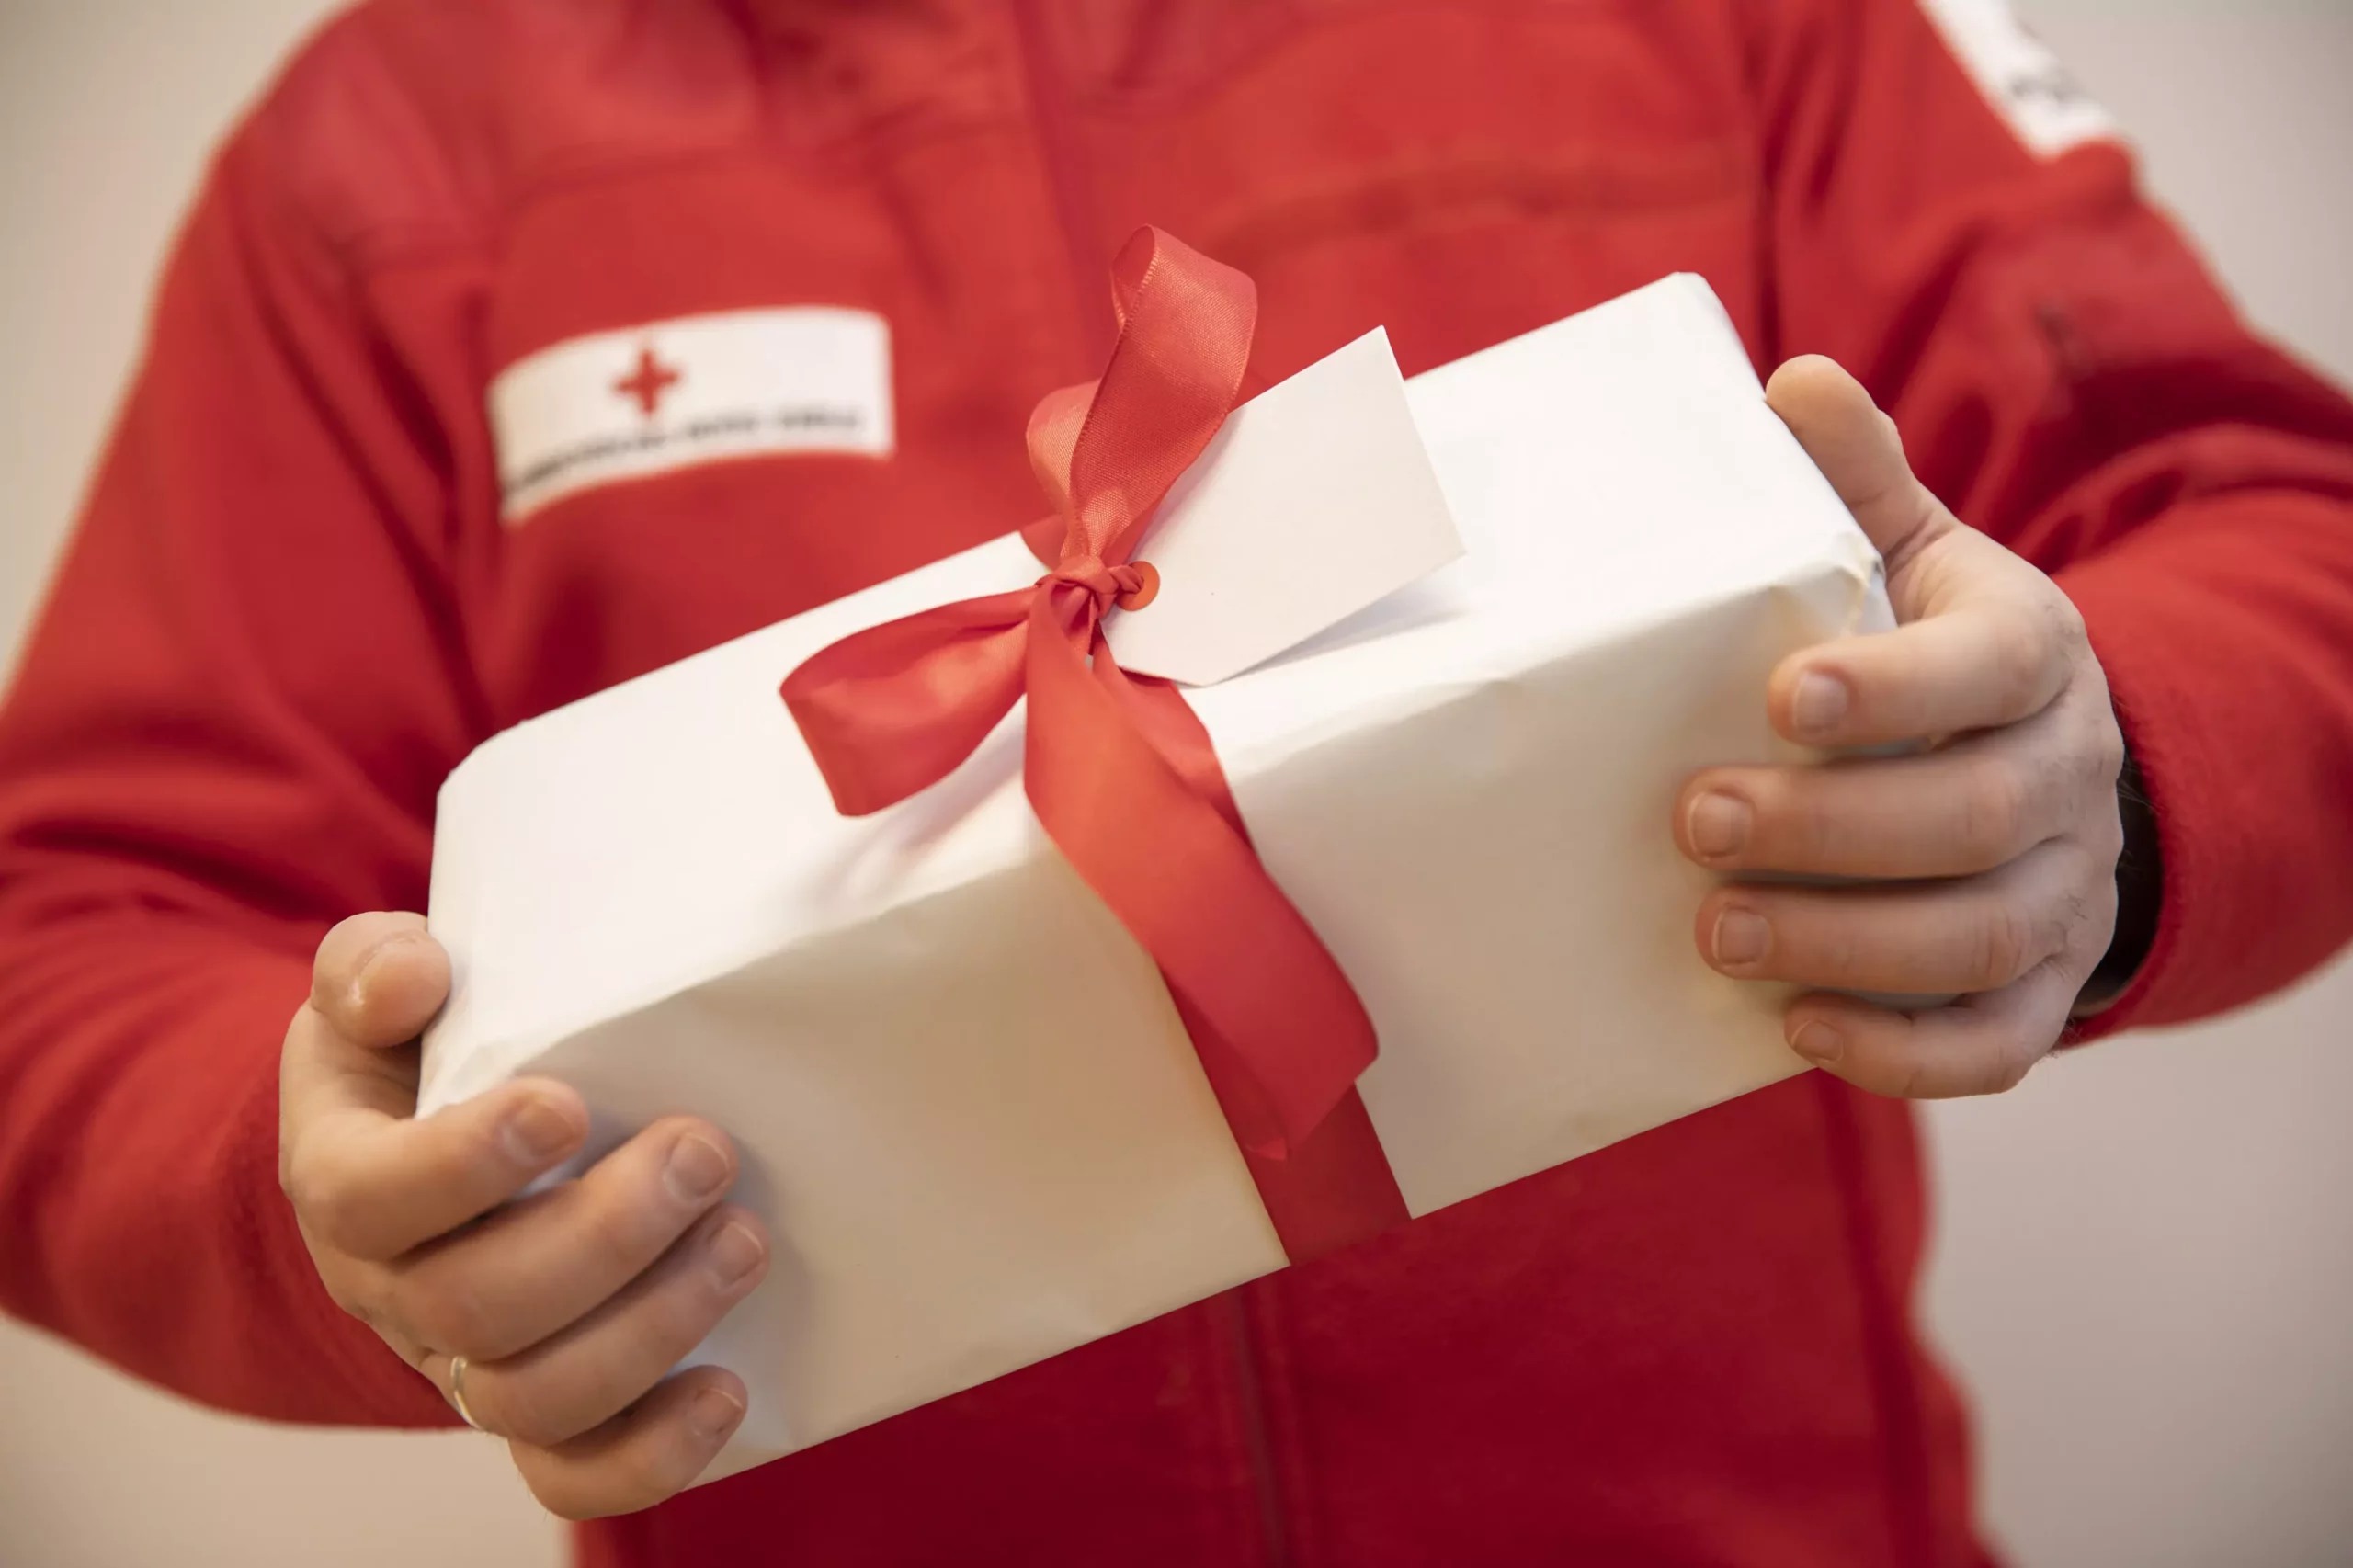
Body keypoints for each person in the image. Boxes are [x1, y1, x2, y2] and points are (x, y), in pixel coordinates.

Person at [2, 0, 2348, 1562]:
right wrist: (331, 1209)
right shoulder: (396, 148)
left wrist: (2109, 775)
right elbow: (61, 945)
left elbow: (2276, 532)